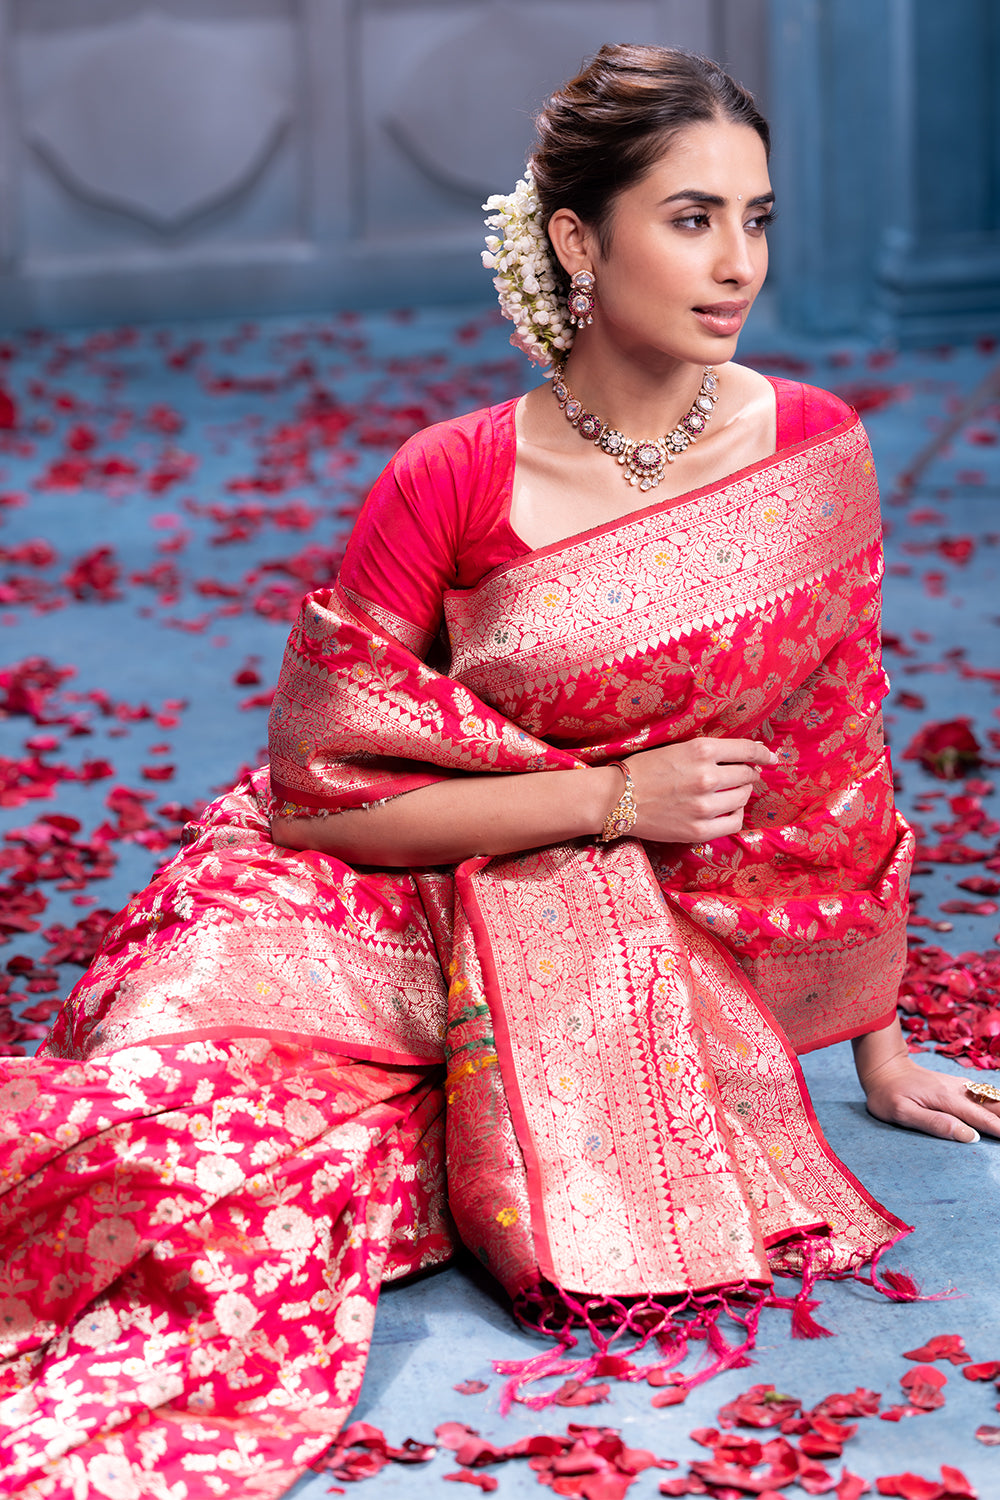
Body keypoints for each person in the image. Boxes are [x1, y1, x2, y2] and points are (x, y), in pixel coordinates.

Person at [1, 41, 998, 1500]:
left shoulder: (812, 455)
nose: (737, 266)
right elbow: (322, 791)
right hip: (365, 886)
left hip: (602, 947)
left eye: (758, 219)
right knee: (165, 1124)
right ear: (579, 240)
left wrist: (878, 1044)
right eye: (691, 217)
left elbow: (838, 758)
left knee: (307, 1179)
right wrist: (613, 802)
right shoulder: (451, 474)